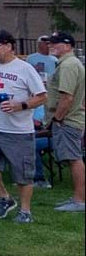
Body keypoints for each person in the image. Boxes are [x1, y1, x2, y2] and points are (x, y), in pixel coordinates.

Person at [0, 28, 45, 225]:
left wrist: (20, 105)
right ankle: (5, 197)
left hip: (18, 130)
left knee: (23, 173)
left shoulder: (25, 69)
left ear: (8, 46)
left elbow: (42, 96)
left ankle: (25, 211)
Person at [48, 32, 84, 213]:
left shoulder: (68, 65)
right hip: (71, 119)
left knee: (74, 159)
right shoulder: (69, 63)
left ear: (68, 45)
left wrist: (58, 118)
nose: (51, 45)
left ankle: (79, 200)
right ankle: (78, 198)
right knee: (74, 158)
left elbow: (67, 97)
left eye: (56, 43)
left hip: (68, 120)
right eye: (50, 43)